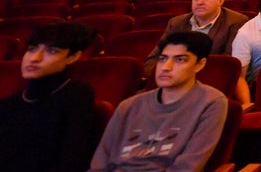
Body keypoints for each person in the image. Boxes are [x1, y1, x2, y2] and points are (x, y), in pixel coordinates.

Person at [90, 32, 228, 172]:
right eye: (162, 59)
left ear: (199, 64)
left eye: (180, 60)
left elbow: (188, 166)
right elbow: (100, 163)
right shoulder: (129, 105)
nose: (166, 67)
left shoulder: (211, 102)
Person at [0, 22, 98, 172]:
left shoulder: (77, 95)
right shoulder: (8, 104)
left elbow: (72, 160)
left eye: (51, 51)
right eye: (31, 49)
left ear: (73, 57)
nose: (35, 58)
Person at [152, 0, 249, 73]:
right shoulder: (176, 23)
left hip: (211, 77)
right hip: (175, 77)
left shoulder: (236, 22)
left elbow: (228, 63)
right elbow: (154, 57)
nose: (200, 2)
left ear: (220, 1)